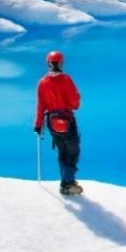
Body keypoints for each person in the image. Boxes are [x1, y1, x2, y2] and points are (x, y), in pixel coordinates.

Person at [34, 50, 83, 196]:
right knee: (73, 152)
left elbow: (41, 106)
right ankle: (67, 183)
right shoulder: (66, 79)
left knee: (62, 152)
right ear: (60, 63)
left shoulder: (42, 82)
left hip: (51, 123)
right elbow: (75, 103)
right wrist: (76, 98)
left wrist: (38, 125)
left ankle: (67, 180)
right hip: (67, 121)